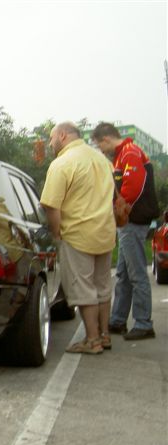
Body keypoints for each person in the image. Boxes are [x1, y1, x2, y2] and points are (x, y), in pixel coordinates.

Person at [40, 122, 116, 354]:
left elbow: (50, 205)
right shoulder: (103, 160)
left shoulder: (62, 163)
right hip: (105, 232)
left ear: (62, 135)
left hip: (78, 234)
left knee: (83, 290)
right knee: (103, 287)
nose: (50, 143)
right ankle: (104, 335)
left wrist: (56, 233)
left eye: (52, 138)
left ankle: (92, 340)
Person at [91, 122, 160, 341]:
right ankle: (118, 320)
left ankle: (143, 323)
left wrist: (119, 209)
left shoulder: (129, 153)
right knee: (124, 273)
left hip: (132, 221)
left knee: (136, 273)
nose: (102, 151)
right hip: (129, 222)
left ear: (106, 139)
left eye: (100, 146)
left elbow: (133, 186)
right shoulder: (125, 154)